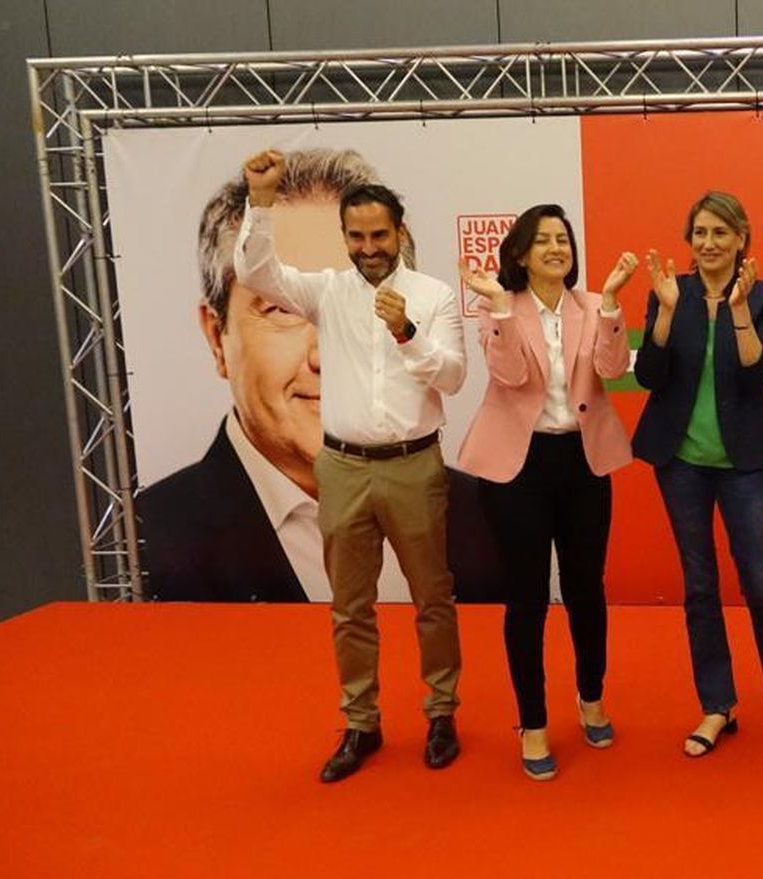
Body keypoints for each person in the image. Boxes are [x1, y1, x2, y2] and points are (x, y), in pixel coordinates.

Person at [137, 147, 507, 606]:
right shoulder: (146, 539)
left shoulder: (484, 516)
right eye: (283, 309)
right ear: (217, 337)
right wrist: (262, 201)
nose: (327, 355)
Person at [234, 149, 467, 782]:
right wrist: (260, 201)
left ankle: (441, 712)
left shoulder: (433, 295)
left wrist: (408, 332)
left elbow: (453, 374)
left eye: (379, 236)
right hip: (340, 467)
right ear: (345, 238)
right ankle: (361, 722)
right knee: (350, 606)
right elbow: (255, 271)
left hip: (414, 466)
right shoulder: (326, 291)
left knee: (432, 599)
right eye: (357, 236)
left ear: (401, 234)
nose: (369, 248)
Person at [455, 204, 638, 780]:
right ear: (521, 253)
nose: (557, 248)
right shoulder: (497, 306)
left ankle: (591, 698)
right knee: (528, 598)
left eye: (564, 239)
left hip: (583, 462)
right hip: (517, 468)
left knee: (587, 589)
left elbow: (614, 366)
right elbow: (509, 376)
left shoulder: (592, 306)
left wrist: (609, 303)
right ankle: (532, 723)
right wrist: (504, 311)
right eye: (544, 240)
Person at [631, 191, 763, 758]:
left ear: (741, 239)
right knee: (700, 584)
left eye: (719, 233)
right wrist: (661, 314)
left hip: (745, 461)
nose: (708, 244)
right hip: (681, 461)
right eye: (700, 233)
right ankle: (716, 705)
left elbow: (760, 379)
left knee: (760, 578)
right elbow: (649, 377)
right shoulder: (671, 292)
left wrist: (736, 311)